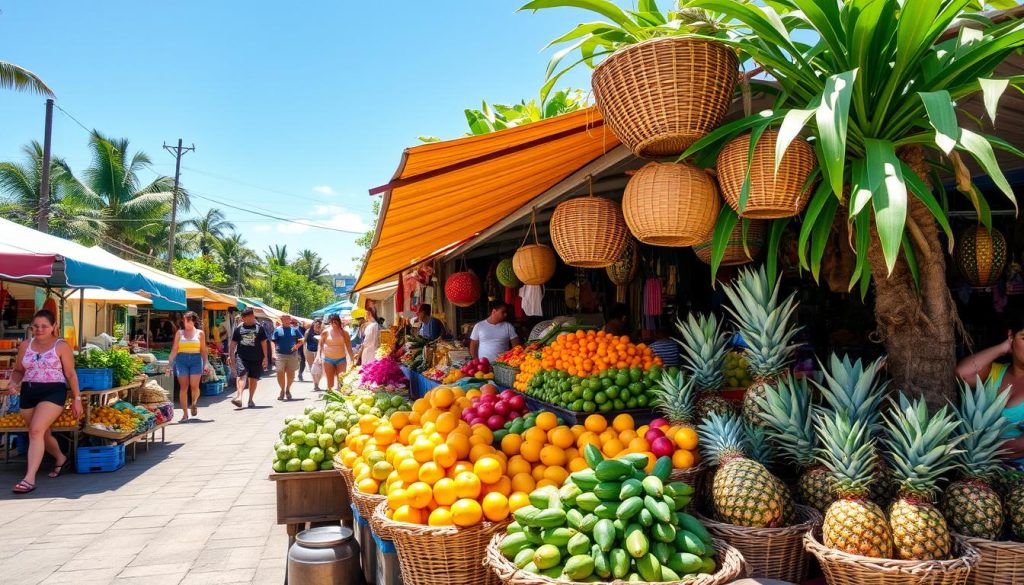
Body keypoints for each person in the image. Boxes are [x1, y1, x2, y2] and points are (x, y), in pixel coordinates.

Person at [7, 310, 82, 494]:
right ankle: (60, 458)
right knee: (42, 433)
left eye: (44, 326)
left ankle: (29, 478)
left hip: (53, 391)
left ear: (53, 326)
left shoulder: (61, 346)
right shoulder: (26, 345)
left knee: (35, 430)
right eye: (36, 326)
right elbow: (18, 370)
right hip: (29, 391)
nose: (39, 330)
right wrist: (13, 382)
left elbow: (71, 374)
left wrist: (76, 398)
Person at [956, 313, 1024, 466]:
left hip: (1017, 478)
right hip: (982, 471)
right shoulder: (995, 372)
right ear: (1011, 336)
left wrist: (980, 446)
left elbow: (1021, 445)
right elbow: (962, 373)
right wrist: (1003, 347)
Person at [167, 311, 208, 422]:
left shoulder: (200, 333)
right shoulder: (179, 333)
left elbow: (203, 350)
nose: (184, 322)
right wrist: (169, 364)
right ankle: (185, 414)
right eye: (184, 320)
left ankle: (194, 403)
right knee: (183, 387)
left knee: (194, 386)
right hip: (181, 360)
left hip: (195, 359)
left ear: (193, 321)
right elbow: (174, 349)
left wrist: (206, 363)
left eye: (187, 320)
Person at [228, 308, 271, 408]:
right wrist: (230, 356)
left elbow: (263, 343)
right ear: (243, 318)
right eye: (250, 316)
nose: (252, 318)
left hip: (257, 357)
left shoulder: (259, 328)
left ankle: (250, 399)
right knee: (242, 374)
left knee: (253, 379)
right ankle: (239, 397)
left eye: (252, 316)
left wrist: (265, 357)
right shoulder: (239, 329)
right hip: (242, 356)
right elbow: (233, 344)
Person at [319, 314, 355, 392]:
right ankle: (330, 398)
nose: (333, 323)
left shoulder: (344, 333)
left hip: (341, 359)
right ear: (329, 322)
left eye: (335, 321)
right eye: (331, 322)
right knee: (330, 381)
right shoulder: (325, 332)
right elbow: (320, 345)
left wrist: (352, 359)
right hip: (328, 359)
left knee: (341, 380)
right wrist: (318, 357)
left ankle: (341, 397)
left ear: (339, 321)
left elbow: (349, 347)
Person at [272, 315, 304, 401]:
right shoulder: (277, 330)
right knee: (279, 371)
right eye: (284, 319)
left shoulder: (294, 329)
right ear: (281, 320)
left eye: (288, 319)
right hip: (280, 354)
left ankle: (288, 389)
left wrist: (296, 346)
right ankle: (282, 390)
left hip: (292, 354)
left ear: (290, 320)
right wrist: (273, 353)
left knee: (291, 373)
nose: (286, 320)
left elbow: (302, 340)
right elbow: (273, 342)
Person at [304, 320, 324, 391]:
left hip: (320, 352)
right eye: (316, 324)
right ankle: (315, 384)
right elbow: (304, 341)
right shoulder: (308, 331)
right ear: (313, 324)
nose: (318, 325)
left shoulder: (322, 331)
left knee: (319, 368)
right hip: (309, 351)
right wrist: (304, 352)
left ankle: (317, 383)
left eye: (319, 324)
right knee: (312, 368)